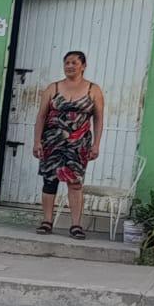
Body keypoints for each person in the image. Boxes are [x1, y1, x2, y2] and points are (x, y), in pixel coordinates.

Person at [34, 50, 105, 240]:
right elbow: (41, 116)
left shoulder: (93, 90)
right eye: (67, 63)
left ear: (83, 66)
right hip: (52, 142)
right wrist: (37, 141)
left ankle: (75, 226)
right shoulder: (53, 88)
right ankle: (47, 222)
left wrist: (96, 144)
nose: (70, 66)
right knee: (50, 181)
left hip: (79, 145)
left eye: (74, 63)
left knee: (75, 183)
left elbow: (98, 119)